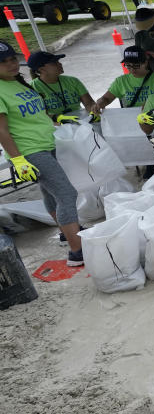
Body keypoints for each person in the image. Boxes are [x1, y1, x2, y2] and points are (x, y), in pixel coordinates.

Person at [0, 40, 83, 266]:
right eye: (3, 62)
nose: (11, 65)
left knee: (51, 194)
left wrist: (56, 119)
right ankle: (78, 252)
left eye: (11, 59)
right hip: (29, 151)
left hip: (46, 142)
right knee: (67, 194)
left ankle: (67, 232)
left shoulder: (19, 83)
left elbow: (37, 114)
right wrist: (17, 160)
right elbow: (2, 130)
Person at [27, 51, 96, 121]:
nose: (60, 64)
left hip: (80, 120)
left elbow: (89, 103)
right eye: (54, 63)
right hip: (55, 126)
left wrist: (94, 111)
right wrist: (59, 120)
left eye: (58, 61)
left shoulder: (73, 81)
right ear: (42, 69)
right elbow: (39, 115)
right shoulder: (32, 88)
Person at [91, 46, 154, 113]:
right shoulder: (121, 81)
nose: (132, 69)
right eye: (128, 65)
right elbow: (106, 98)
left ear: (146, 62)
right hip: (132, 117)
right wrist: (99, 103)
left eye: (136, 65)